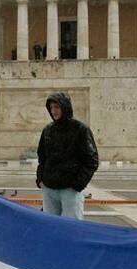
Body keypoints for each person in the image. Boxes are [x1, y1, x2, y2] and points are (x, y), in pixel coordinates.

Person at [36, 92, 99, 220]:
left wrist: (77, 184)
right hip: (49, 189)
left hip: (70, 191)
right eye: (51, 107)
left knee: (72, 228)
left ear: (65, 107)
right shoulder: (48, 130)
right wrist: (40, 179)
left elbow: (91, 160)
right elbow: (42, 157)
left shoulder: (80, 129)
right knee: (50, 227)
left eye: (57, 107)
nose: (54, 111)